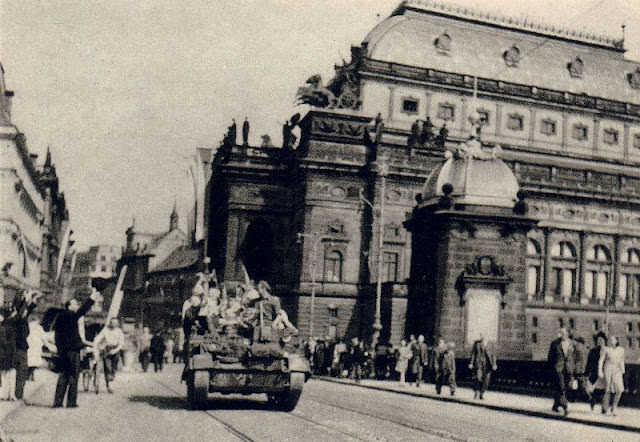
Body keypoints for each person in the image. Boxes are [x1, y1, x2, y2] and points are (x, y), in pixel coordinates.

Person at [53, 289, 101, 408]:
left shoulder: (60, 317)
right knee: (73, 376)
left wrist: (59, 349)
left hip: (63, 352)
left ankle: (58, 402)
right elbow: (82, 310)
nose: (77, 306)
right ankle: (71, 402)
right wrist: (92, 298)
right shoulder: (71, 316)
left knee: (63, 375)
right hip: (73, 351)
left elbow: (57, 335)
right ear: (69, 306)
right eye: (74, 304)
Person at [547, 328, 575, 416]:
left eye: (563, 333)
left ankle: (555, 405)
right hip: (558, 368)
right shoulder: (555, 343)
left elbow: (575, 356)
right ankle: (565, 407)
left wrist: (573, 366)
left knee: (565, 387)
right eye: (561, 333)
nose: (562, 334)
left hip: (568, 368)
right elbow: (550, 357)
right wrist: (552, 368)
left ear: (567, 333)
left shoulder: (572, 343)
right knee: (561, 386)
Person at [93, 318, 125, 393]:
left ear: (117, 324)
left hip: (116, 350)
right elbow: (98, 338)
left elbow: (121, 343)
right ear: (110, 323)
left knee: (114, 368)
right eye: (112, 322)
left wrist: (115, 350)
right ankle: (110, 384)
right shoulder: (105, 330)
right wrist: (96, 342)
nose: (113, 324)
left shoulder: (119, 331)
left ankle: (110, 382)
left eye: (115, 323)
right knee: (108, 368)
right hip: (107, 350)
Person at [599, 335, 625, 415]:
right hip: (608, 369)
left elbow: (621, 360)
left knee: (620, 389)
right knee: (608, 388)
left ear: (616, 341)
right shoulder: (605, 349)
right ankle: (605, 407)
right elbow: (601, 360)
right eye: (610, 340)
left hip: (617, 370)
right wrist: (600, 370)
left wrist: (623, 369)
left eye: (613, 340)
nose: (611, 341)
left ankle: (614, 406)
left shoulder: (621, 350)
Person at [27, 315, 55, 381]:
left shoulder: (33, 327)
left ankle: (29, 375)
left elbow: (43, 337)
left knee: (31, 362)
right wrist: (49, 345)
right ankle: (29, 375)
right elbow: (44, 338)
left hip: (33, 347)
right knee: (33, 363)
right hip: (34, 347)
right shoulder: (38, 328)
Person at [585, 332, 607, 410]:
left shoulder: (607, 350)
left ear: (605, 341)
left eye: (601, 340)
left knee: (604, 390)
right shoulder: (593, 351)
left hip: (605, 373)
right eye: (598, 340)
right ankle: (592, 398)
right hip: (594, 373)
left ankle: (604, 407)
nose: (600, 341)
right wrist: (586, 373)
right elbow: (589, 362)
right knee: (589, 389)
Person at [0, 307, 17, 401]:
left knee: (4, 375)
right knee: (10, 375)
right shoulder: (8, 327)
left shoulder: (3, 327)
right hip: (8, 354)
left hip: (5, 355)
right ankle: (10, 394)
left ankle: (5, 394)